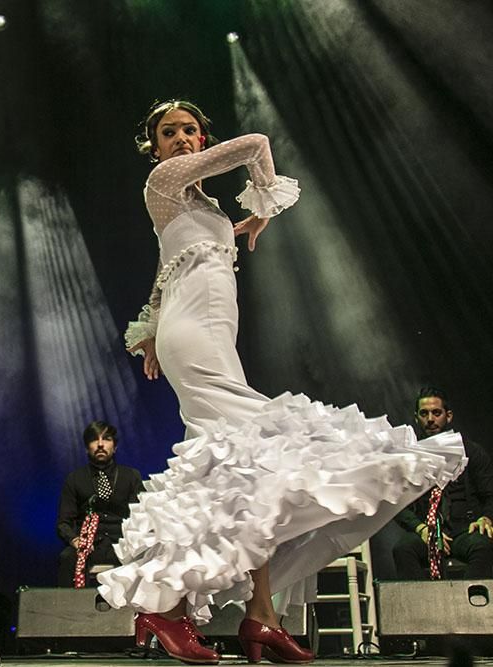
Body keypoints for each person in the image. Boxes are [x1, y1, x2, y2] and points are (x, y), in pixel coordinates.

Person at [95, 100, 466, 665]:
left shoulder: (202, 205)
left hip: (210, 334)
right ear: (154, 145)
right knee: (252, 455)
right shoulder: (164, 179)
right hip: (195, 338)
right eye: (168, 133)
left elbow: (165, 268)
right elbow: (256, 144)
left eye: (190, 130)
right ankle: (166, 606)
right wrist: (265, 202)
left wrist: (147, 326)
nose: (181, 139)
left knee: (249, 473)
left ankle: (260, 616)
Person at [392, 387, 493, 580]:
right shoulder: (409, 457)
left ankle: (470, 606)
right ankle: (419, 607)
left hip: (465, 529)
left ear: (448, 416)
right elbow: (396, 503)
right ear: (416, 418)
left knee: (483, 546)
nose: (430, 419)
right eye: (424, 413)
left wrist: (487, 518)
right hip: (426, 530)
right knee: (403, 549)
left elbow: (490, 494)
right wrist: (420, 528)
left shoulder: (472, 451)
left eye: (436, 413)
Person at [56, 421, 144, 587]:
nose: (101, 444)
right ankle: (68, 610)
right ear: (86, 447)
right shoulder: (74, 479)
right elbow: (64, 522)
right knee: (67, 558)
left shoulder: (131, 476)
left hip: (122, 544)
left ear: (115, 446)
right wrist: (75, 540)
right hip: (88, 546)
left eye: (107, 439)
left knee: (144, 557)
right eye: (94, 440)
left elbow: (139, 517)